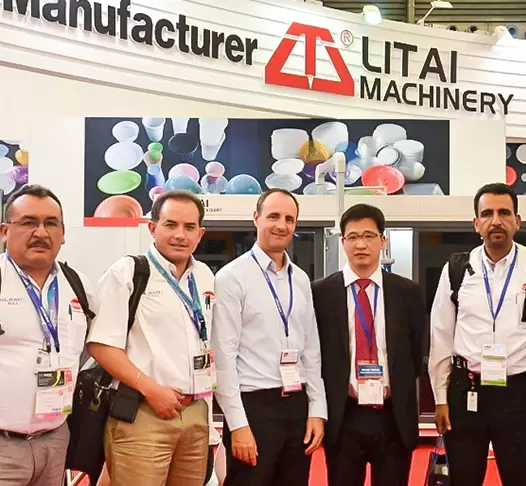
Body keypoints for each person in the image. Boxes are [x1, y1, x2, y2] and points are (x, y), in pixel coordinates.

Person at [87, 190, 215, 486]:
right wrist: (151, 389)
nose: (180, 235)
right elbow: (100, 345)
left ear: (200, 234)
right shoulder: (128, 272)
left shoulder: (205, 277)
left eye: (189, 227)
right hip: (142, 412)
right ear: (152, 227)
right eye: (171, 225)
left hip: (195, 413)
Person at [212, 188, 327, 486]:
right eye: (273, 216)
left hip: (297, 403)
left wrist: (317, 410)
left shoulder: (300, 279)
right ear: (256, 218)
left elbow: (311, 351)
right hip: (254, 406)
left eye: (289, 219)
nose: (281, 225)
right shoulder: (231, 277)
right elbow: (223, 358)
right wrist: (237, 424)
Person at [312, 203, 426, 486]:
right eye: (352, 237)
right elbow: (316, 354)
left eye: (368, 236)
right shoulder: (320, 293)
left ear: (382, 240)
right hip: (344, 415)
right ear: (342, 242)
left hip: (393, 416)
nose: (360, 244)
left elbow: (416, 354)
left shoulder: (407, 292)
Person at [429, 183, 526, 486]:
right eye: (487, 214)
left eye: (504, 213)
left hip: (519, 393)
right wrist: (440, 399)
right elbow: (441, 337)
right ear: (476, 223)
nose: (496, 221)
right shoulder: (457, 269)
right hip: (467, 393)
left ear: (517, 221)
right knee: (464, 478)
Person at [0, 184, 94, 486]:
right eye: (29, 222)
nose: (41, 232)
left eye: (51, 223)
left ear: (63, 234)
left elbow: (98, 346)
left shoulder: (79, 285)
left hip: (56, 440)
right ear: (4, 231)